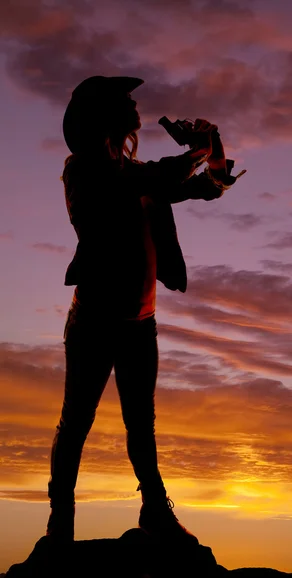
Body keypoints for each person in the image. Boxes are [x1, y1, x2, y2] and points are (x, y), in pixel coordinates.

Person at [46, 75, 240, 546]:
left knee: (141, 424)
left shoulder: (133, 169)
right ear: (103, 114)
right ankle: (60, 524)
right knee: (76, 422)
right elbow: (153, 177)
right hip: (94, 320)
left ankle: (155, 511)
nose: (135, 104)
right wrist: (195, 151)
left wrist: (212, 150)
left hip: (140, 322)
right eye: (125, 99)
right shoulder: (85, 169)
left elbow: (207, 188)